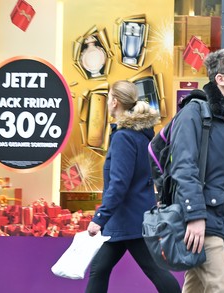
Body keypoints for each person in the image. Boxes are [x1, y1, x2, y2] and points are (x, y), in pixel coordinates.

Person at [169, 48, 224, 293]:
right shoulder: (195, 113)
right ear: (220, 78)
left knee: (195, 289)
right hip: (203, 224)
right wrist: (195, 216)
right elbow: (184, 168)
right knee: (222, 289)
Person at [86, 80, 181, 293]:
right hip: (133, 216)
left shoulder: (123, 137)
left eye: (109, 97)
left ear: (115, 102)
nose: (108, 102)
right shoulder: (140, 135)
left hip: (129, 220)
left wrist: (100, 218)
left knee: (154, 270)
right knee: (100, 268)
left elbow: (119, 183)